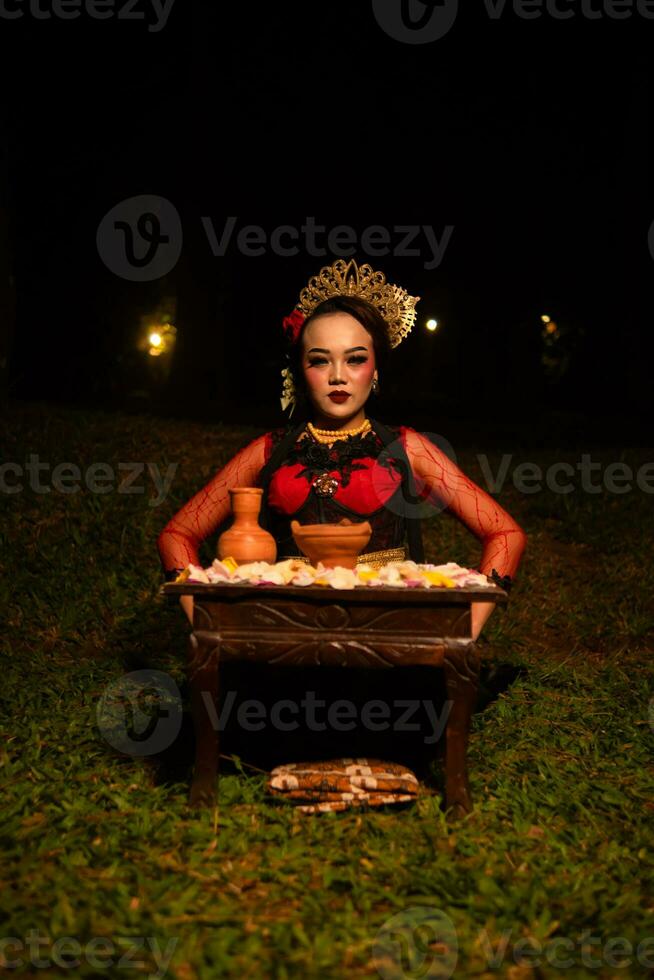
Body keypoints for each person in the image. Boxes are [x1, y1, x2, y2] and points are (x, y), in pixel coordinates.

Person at [157, 258, 527, 639]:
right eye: (320, 361)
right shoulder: (268, 452)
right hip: (285, 640)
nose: (338, 376)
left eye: (355, 359)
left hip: (389, 640)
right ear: (301, 370)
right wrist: (208, 627)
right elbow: (176, 535)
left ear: (376, 368)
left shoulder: (407, 449)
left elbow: (505, 535)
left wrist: (464, 631)